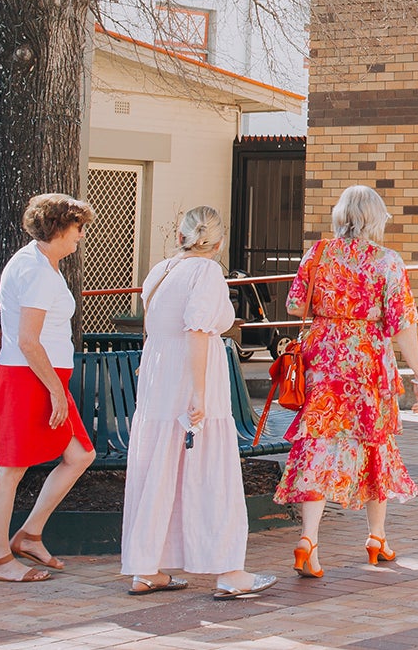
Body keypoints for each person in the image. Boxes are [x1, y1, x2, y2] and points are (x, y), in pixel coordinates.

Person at [119, 207, 278, 600]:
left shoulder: (161, 271)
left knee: (158, 470)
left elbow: (154, 326)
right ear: (219, 242)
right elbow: (196, 330)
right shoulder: (206, 273)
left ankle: (146, 568)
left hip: (159, 378)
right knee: (209, 470)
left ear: (180, 237)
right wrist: (198, 393)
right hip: (191, 376)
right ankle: (230, 571)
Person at [274, 185, 418, 572]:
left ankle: (309, 538)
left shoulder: (319, 253)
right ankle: (376, 536)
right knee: (375, 444)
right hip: (367, 362)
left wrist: (332, 305)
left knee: (318, 443)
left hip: (324, 360)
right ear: (376, 219)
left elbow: (294, 304)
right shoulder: (387, 261)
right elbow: (402, 324)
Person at [0, 193, 98, 583]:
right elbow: (28, 341)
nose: (80, 235)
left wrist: (55, 386)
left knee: (80, 454)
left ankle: (29, 535)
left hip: (43, 378)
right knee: (11, 468)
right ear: (59, 228)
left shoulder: (41, 263)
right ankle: (0, 559)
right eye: (77, 228)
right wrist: (54, 389)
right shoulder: (35, 270)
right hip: (28, 378)